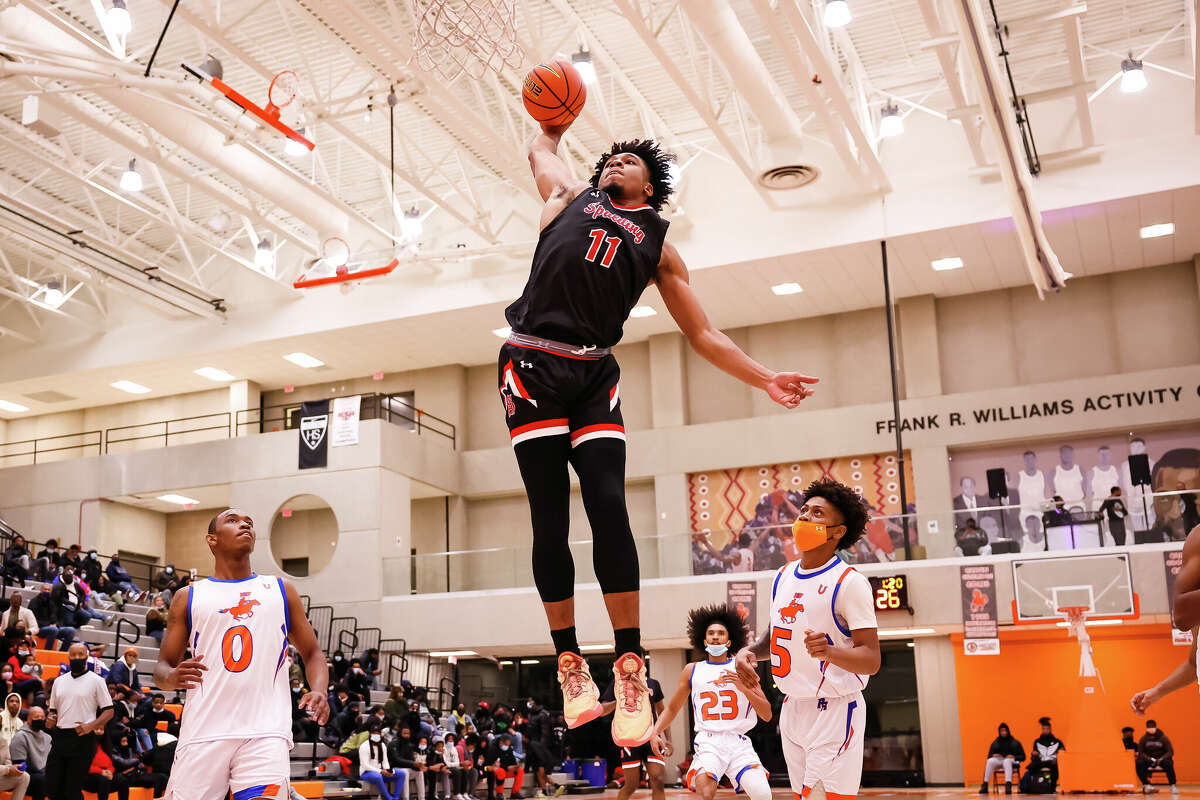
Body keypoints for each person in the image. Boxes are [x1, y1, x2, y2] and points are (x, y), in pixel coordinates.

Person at [512, 123, 818, 745]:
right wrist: (551, 128)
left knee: (609, 508)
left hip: (595, 371)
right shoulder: (570, 195)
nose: (615, 164)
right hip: (531, 363)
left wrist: (762, 378)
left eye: (629, 161)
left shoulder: (659, 246)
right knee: (549, 517)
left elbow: (704, 335)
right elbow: (540, 152)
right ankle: (569, 663)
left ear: (650, 187)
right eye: (611, 160)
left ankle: (628, 661)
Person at [154, 508, 330, 799]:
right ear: (212, 539)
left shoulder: (280, 589)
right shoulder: (189, 596)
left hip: (265, 730)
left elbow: (312, 653)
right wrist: (172, 677)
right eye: (232, 521)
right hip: (204, 730)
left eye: (249, 522)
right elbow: (161, 668)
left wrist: (320, 690)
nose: (245, 524)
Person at [736, 479, 880, 800]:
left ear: (837, 532)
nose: (804, 518)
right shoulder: (783, 575)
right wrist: (751, 651)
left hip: (835, 706)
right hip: (792, 707)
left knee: (819, 797)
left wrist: (829, 651)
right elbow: (776, 633)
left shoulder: (849, 582)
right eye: (804, 510)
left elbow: (871, 658)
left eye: (817, 513)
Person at [650, 604, 770, 800]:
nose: (715, 636)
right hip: (709, 741)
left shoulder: (742, 667)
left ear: (729, 641)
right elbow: (672, 708)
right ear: (704, 640)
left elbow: (766, 713)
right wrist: (655, 732)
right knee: (706, 792)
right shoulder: (692, 669)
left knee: (763, 795)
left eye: (721, 633)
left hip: (738, 741)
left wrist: (744, 688)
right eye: (711, 633)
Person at [47, 641, 115, 800]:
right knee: (52, 787)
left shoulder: (97, 680)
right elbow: (53, 711)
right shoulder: (59, 681)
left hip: (82, 738)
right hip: (60, 737)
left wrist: (91, 726)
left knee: (72, 789)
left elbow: (109, 711)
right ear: (68, 657)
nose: (77, 657)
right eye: (73, 655)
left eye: (80, 654)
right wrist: (51, 719)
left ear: (87, 656)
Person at [10, 705, 51, 800]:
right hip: (24, 775)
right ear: (28, 720)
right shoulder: (20, 736)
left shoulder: (48, 737)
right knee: (41, 780)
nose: (40, 719)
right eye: (36, 717)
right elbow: (19, 764)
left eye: (42, 717)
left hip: (44, 774)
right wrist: (42, 774)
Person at [361, 719, 404, 800]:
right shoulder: (364, 746)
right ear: (370, 734)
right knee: (378, 776)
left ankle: (396, 797)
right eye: (374, 733)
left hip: (381, 771)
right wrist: (380, 771)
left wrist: (388, 770)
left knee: (401, 774)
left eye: (378, 734)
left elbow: (385, 762)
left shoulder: (382, 745)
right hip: (366, 773)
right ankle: (388, 798)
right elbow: (365, 765)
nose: (376, 735)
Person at [978, 723, 1025, 794]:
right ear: (999, 732)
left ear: (1008, 731)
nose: (1004, 732)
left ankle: (1008, 785)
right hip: (1000, 760)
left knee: (1007, 761)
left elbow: (1023, 757)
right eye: (1002, 731)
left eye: (1005, 730)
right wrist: (994, 755)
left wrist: (1014, 756)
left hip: (1012, 761)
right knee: (990, 761)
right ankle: (985, 784)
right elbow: (989, 756)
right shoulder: (996, 742)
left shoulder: (1015, 742)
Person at [1135, 720, 1176, 794]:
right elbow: (1141, 752)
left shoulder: (1163, 738)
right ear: (1146, 728)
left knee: (1169, 764)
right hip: (1149, 759)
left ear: (1155, 727)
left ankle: (1172, 785)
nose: (1151, 728)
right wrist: (1149, 758)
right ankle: (1146, 784)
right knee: (1139, 763)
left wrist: (1162, 758)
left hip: (1162, 758)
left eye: (1152, 727)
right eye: (1149, 727)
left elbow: (1170, 752)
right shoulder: (1143, 739)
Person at [29, 582, 74, 651]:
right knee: (53, 630)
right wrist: (49, 625)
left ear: (51, 591)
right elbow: (32, 620)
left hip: (52, 628)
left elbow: (56, 617)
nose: (47, 591)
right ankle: (47, 651)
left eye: (48, 590)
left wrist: (56, 624)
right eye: (45, 589)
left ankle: (62, 652)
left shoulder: (52, 602)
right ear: (41, 590)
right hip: (39, 629)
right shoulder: (34, 602)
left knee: (71, 630)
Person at [389, 724, 427, 800]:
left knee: (419, 772)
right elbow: (396, 759)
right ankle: (406, 798)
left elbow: (411, 760)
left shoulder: (409, 745)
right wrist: (413, 764)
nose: (407, 735)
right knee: (405, 772)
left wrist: (418, 766)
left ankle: (422, 798)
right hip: (394, 769)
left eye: (408, 734)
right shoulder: (393, 743)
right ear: (400, 733)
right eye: (405, 733)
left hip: (406, 768)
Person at [1027, 717, 1065, 790]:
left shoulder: (1057, 741)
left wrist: (1061, 751)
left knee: (1055, 766)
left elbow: (1062, 750)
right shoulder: (1037, 741)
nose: (1045, 730)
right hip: (1041, 761)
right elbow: (1035, 752)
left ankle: (1052, 787)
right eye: (1043, 729)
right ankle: (1036, 786)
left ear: (1050, 729)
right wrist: (1034, 753)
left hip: (1051, 762)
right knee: (1031, 767)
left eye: (1047, 729)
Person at [482, 733, 521, 800]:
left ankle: (515, 793)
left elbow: (513, 761)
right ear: (501, 743)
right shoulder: (493, 748)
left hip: (507, 769)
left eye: (508, 745)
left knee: (520, 770)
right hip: (496, 770)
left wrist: (515, 766)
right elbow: (492, 764)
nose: (507, 747)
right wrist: (506, 767)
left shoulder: (509, 748)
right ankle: (499, 793)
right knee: (500, 771)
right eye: (506, 745)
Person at [0, 725, 31, 800]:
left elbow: (7, 761)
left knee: (24, 777)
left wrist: (12, 770)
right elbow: (7, 768)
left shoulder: (2, 740)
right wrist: (8, 770)